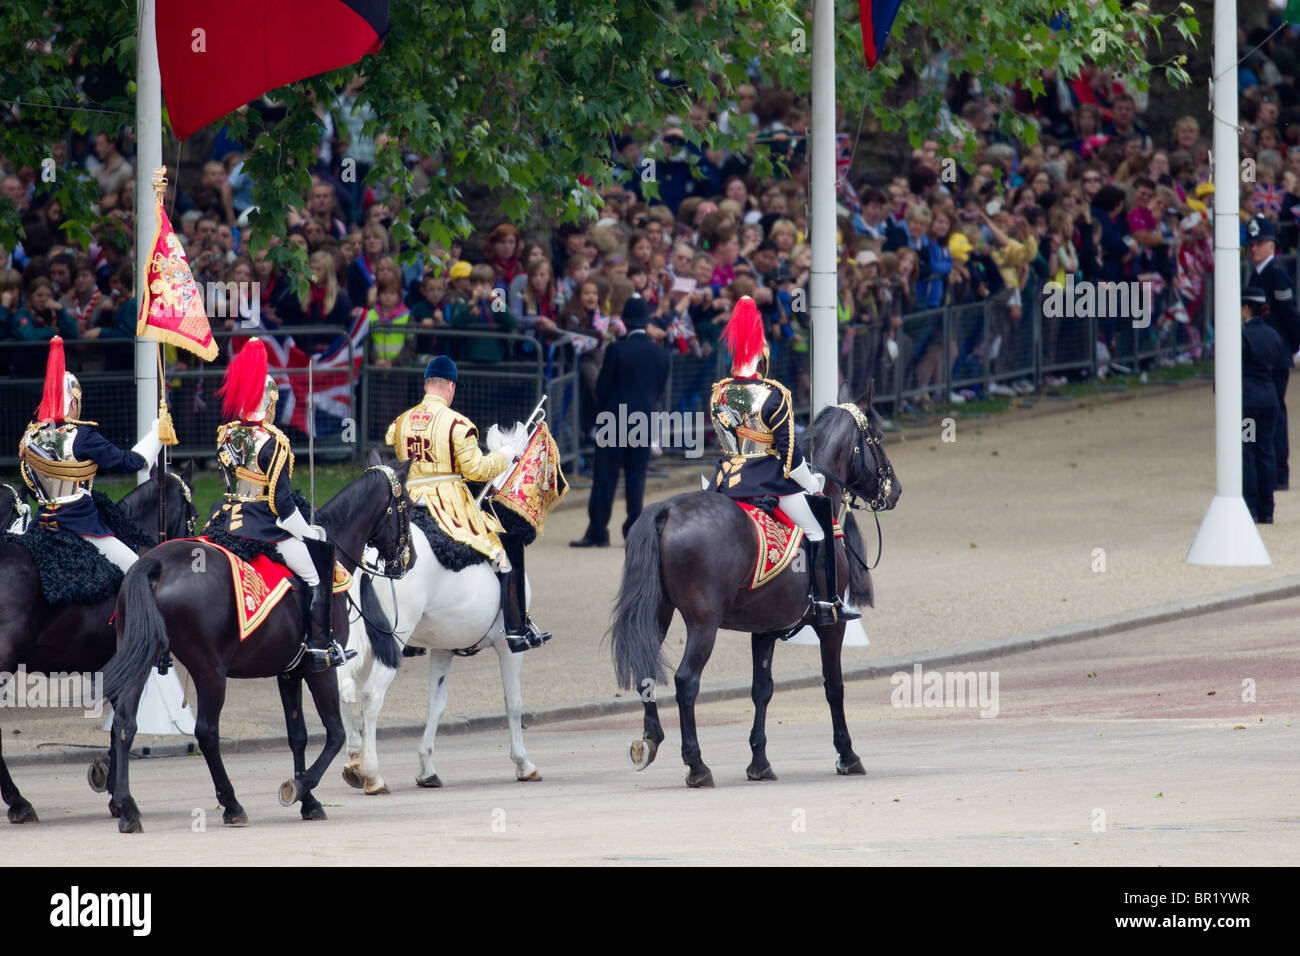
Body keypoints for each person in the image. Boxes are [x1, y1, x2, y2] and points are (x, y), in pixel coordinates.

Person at [707, 296, 857, 626]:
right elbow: (789, 453)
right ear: (763, 358)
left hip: (725, 481)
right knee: (818, 531)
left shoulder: (719, 392)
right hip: (765, 478)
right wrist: (812, 482)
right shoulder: (775, 394)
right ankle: (825, 602)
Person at [386, 356, 549, 653]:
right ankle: (515, 627)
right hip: (446, 501)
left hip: (408, 500)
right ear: (449, 386)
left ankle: (410, 638)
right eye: (453, 387)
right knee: (500, 545)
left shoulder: (402, 421)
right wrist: (506, 455)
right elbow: (477, 471)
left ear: (426, 385)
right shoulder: (458, 424)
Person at [204, 339, 348, 673]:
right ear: (268, 401)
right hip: (262, 527)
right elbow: (281, 503)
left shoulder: (226, 434)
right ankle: (318, 647)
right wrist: (310, 534)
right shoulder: (273, 442)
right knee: (317, 573)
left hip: (224, 523)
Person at [17, 336, 162, 570]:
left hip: (42, 524)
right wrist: (157, 433)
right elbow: (131, 462)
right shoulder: (82, 436)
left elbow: (33, 486)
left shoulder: (30, 436)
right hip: (80, 524)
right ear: (73, 402)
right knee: (137, 569)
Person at [572, 296, 669, 547]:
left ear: (624, 321)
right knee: (636, 477)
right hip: (644, 419)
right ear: (647, 322)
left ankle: (598, 531)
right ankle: (634, 532)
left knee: (605, 476)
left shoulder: (616, 349)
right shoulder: (661, 354)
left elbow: (602, 386)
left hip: (614, 417)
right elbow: (659, 390)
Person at [1246, 216, 1300, 489]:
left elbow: (1289, 313)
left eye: (1259, 243)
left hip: (1276, 351)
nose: (1253, 248)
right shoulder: (1259, 272)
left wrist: (1296, 346)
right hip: (1264, 351)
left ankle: (1279, 471)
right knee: (1269, 411)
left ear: (1272, 246)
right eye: (1251, 243)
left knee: (1275, 412)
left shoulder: (1275, 272)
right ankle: (1269, 469)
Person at [1242, 287, 1291, 524]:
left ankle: (1250, 506)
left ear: (1245, 307)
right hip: (1269, 399)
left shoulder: (1242, 336)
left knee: (1248, 451)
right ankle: (1267, 508)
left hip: (1249, 402)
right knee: (1266, 450)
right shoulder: (1273, 334)